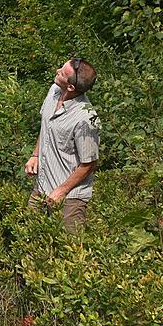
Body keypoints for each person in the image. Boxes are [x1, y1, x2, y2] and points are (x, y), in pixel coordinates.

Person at [25, 57, 100, 231]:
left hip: (69, 198)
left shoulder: (86, 119)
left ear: (71, 87)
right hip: (42, 187)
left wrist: (61, 191)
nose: (57, 71)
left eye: (62, 72)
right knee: (29, 240)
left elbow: (89, 163)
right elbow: (46, 126)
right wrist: (35, 155)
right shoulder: (54, 91)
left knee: (70, 251)